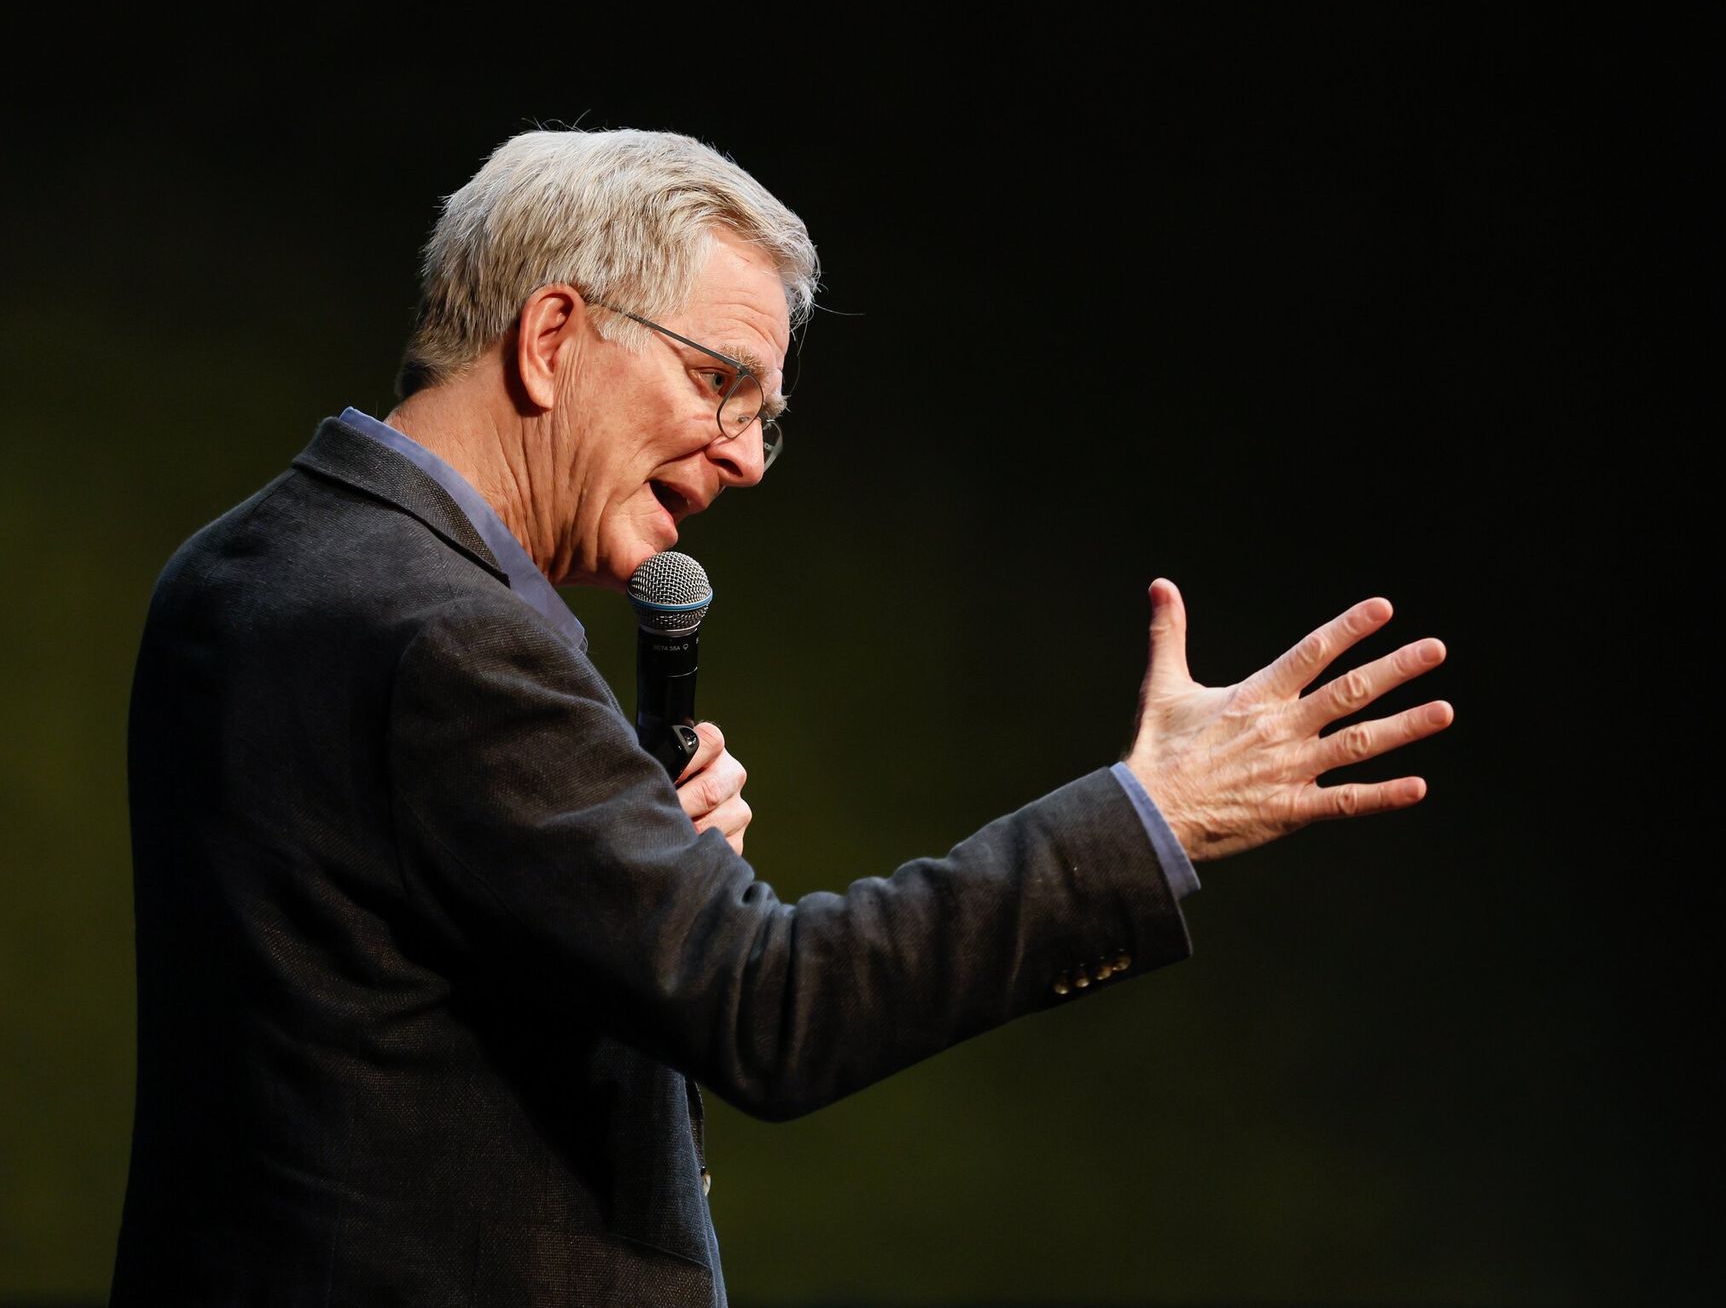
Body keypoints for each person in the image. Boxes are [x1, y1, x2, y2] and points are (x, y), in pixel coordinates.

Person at [108, 128, 1454, 1306]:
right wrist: (1150, 815)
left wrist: (597, 858)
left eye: (768, 414)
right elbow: (771, 1001)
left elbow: (356, 990)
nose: (749, 456)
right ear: (554, 335)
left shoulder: (236, 567)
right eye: (720, 383)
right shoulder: (452, 632)